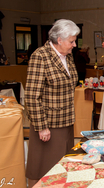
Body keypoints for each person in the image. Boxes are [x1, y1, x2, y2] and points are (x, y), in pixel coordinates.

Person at [25, 19, 80, 187]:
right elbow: (32, 96)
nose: (75, 44)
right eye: (72, 41)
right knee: (45, 167)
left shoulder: (67, 56)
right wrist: (42, 126)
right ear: (59, 40)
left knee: (63, 165)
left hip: (66, 120)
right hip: (48, 125)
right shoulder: (40, 56)